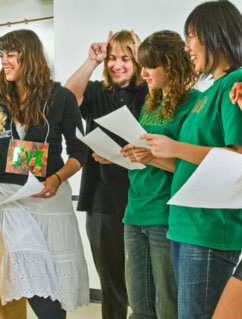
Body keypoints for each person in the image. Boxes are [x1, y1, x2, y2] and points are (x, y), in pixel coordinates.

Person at [0, 29, 89, 319]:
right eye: (1, 55)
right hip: (9, 197)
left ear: (30, 57)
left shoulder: (61, 96)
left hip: (50, 196)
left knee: (55, 280)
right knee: (27, 266)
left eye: (11, 55)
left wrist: (57, 178)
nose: (5, 61)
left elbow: (79, 152)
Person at [139, 1, 242, 318]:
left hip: (210, 228)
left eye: (192, 36)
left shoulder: (234, 83)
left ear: (217, 36)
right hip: (186, 225)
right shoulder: (211, 89)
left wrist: (175, 147)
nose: (187, 47)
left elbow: (236, 159)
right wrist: (154, 156)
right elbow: (193, 165)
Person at [64, 30, 147, 319]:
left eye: (126, 58)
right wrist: (91, 61)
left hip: (142, 196)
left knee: (144, 282)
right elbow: (68, 97)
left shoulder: (149, 90)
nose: (117, 65)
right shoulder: (99, 91)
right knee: (111, 282)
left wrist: (144, 58)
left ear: (137, 61)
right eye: (112, 58)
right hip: (101, 197)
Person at [120, 30, 200, 318]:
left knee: (167, 305)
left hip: (165, 215)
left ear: (172, 66)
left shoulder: (194, 104)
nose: (143, 73)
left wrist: (153, 158)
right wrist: (133, 154)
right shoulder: (152, 101)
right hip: (135, 211)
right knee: (139, 306)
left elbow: (193, 169)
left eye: (150, 66)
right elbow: (148, 155)